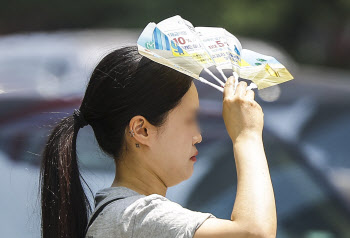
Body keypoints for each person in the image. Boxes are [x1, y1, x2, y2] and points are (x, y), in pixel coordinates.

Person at [39, 45, 276, 238]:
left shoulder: (123, 217)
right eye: (190, 119)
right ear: (141, 130)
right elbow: (255, 233)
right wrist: (247, 135)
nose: (198, 136)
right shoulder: (135, 217)